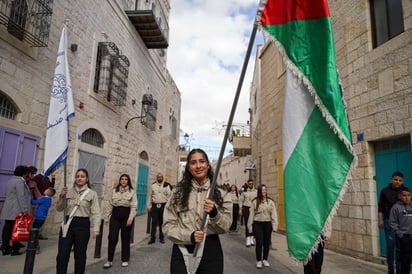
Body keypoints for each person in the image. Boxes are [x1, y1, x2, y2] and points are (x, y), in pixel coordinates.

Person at [163, 148, 232, 274]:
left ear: (208, 165)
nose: (198, 166)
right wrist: (189, 236)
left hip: (211, 252)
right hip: (182, 249)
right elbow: (167, 226)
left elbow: (226, 226)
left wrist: (214, 214)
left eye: (202, 161)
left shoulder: (221, 194)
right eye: (193, 162)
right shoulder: (177, 193)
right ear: (188, 167)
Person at [56, 168, 101, 274]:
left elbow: (96, 212)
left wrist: (96, 228)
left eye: (82, 176)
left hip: (83, 225)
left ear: (87, 179)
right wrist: (62, 196)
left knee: (80, 255)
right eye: (77, 176)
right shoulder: (68, 191)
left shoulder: (92, 194)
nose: (79, 178)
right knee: (62, 255)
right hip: (67, 224)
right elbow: (59, 208)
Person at [103, 174, 137, 268]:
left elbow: (134, 206)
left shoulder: (132, 192)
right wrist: (106, 217)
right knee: (112, 238)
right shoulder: (114, 191)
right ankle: (109, 260)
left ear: (128, 181)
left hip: (126, 215)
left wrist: (131, 218)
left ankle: (125, 259)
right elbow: (110, 204)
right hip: (115, 216)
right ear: (120, 180)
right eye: (122, 179)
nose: (124, 181)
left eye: (126, 179)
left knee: (125, 238)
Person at [0, 165, 31, 256]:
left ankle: (5, 248)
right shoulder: (19, 182)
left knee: (7, 228)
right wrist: (24, 210)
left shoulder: (11, 180)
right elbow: (21, 196)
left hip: (8, 207)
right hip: (16, 209)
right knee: (16, 229)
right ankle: (15, 249)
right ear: (24, 174)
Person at [378, 171, 404, 274]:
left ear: (402, 181)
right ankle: (390, 269)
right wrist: (380, 220)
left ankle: (399, 269)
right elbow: (380, 207)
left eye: (400, 180)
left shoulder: (404, 191)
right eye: (396, 179)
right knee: (390, 245)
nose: (397, 182)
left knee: (399, 246)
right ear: (392, 179)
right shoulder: (385, 191)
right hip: (388, 221)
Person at [247, 184, 278, 269]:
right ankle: (259, 260)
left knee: (267, 243)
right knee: (259, 242)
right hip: (258, 223)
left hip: (267, 224)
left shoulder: (270, 202)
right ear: (259, 191)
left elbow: (274, 214)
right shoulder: (255, 201)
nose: (264, 191)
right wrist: (250, 227)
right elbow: (251, 215)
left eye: (265, 190)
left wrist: (275, 225)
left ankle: (265, 259)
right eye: (262, 190)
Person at [389, 187, 412, 274]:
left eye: (409, 195)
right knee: (405, 258)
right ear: (400, 196)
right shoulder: (396, 207)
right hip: (404, 236)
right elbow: (392, 223)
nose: (407, 197)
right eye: (404, 195)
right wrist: (400, 234)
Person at [147, 172, 171, 244]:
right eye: (158, 177)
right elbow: (150, 196)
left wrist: (168, 205)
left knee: (162, 223)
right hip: (155, 206)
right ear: (157, 178)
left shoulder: (166, 185)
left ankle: (161, 237)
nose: (160, 178)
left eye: (161, 177)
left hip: (163, 206)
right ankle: (152, 238)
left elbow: (170, 196)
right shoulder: (153, 185)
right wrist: (149, 206)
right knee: (154, 222)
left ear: (163, 178)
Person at [31, 170, 56, 240]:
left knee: (34, 231)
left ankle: (34, 244)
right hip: (42, 215)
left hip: (38, 212)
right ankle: (35, 242)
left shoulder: (47, 179)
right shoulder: (38, 177)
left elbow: (51, 188)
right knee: (36, 229)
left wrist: (53, 179)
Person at [30, 187, 56, 253]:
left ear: (48, 192)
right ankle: (36, 246)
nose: (44, 190)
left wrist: (29, 196)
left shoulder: (44, 199)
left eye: (46, 190)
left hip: (38, 218)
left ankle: (36, 247)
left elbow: (33, 202)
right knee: (36, 232)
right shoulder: (49, 200)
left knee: (34, 233)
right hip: (42, 218)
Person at [239, 179, 257, 247]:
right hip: (246, 208)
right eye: (249, 184)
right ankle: (248, 238)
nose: (251, 185)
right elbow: (241, 200)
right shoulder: (244, 192)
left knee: (253, 224)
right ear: (248, 184)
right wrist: (240, 209)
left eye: (252, 183)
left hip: (254, 209)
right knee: (247, 223)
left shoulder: (256, 191)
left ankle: (252, 238)